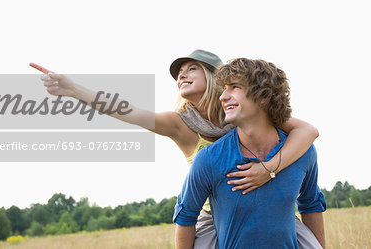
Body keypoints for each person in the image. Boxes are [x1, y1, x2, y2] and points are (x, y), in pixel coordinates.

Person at [33, 49, 321, 248]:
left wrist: (268, 169)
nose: (182, 75)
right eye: (178, 73)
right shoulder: (181, 124)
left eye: (191, 68)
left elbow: (307, 131)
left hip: (270, 210)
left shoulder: (244, 110)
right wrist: (72, 89)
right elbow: (126, 111)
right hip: (212, 217)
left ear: (214, 75)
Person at [174, 58, 326, 249]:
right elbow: (185, 216)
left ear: (263, 96)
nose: (222, 97)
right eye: (224, 89)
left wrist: (269, 168)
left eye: (234, 87)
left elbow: (311, 205)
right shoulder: (209, 159)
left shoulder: (303, 152)